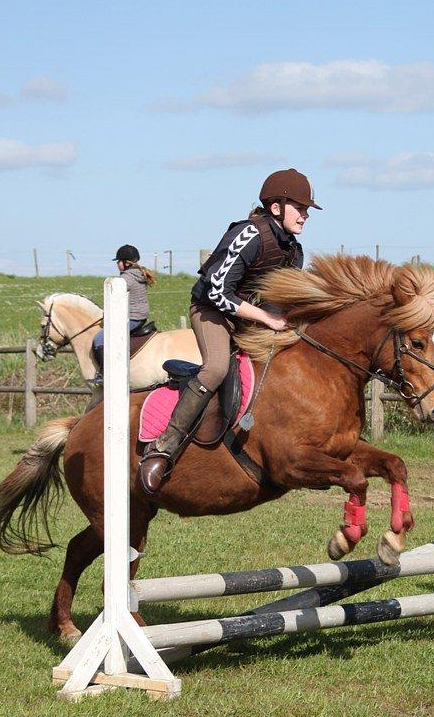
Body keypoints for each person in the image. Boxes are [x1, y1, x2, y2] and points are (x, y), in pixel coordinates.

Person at [138, 168, 321, 494]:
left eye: (307, 209)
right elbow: (215, 291)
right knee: (217, 367)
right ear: (276, 207)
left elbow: (282, 302)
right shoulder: (249, 234)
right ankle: (164, 446)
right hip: (211, 311)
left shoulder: (294, 250)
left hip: (250, 319)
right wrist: (266, 318)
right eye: (300, 207)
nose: (306, 215)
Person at [92, 244, 154, 379]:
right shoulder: (137, 274)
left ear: (125, 263)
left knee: (99, 340)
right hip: (139, 316)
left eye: (118, 261)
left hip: (133, 317)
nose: (117, 264)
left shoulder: (125, 279)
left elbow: (115, 303)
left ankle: (104, 374)